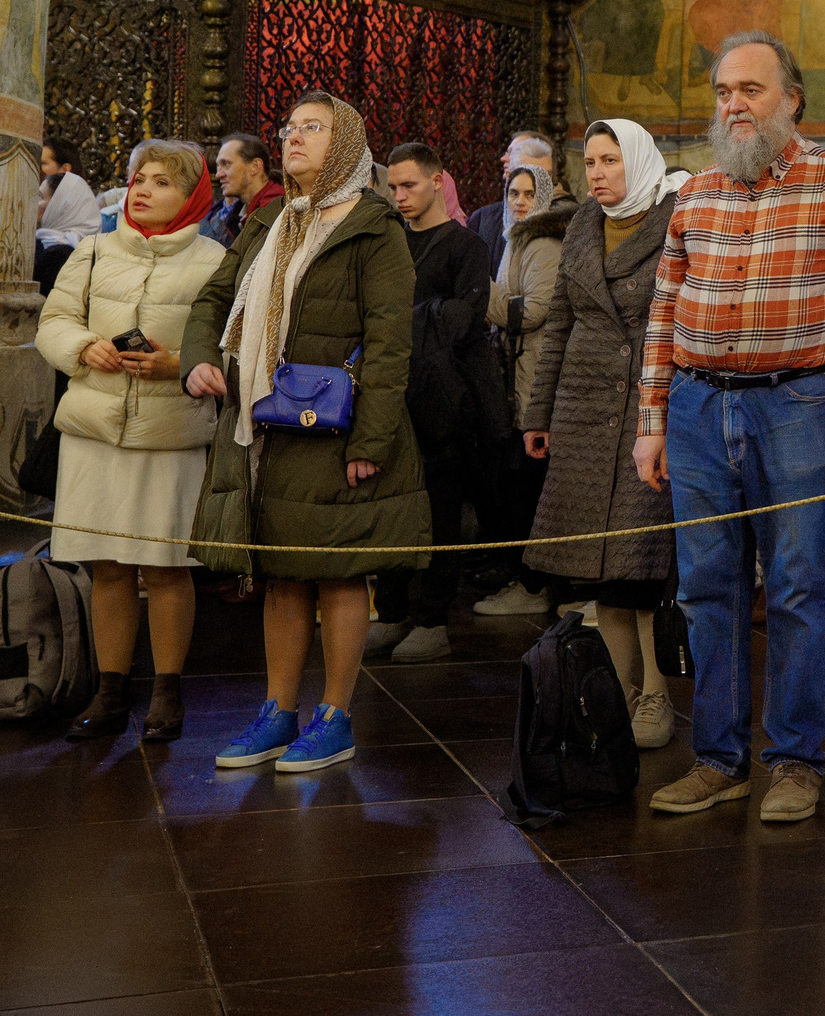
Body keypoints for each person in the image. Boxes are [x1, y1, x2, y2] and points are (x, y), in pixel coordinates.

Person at [634, 35, 825, 824]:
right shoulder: (697, 193)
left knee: (797, 587)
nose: (734, 103)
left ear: (792, 96)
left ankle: (793, 761)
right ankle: (719, 760)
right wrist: (650, 424)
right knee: (706, 586)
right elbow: (663, 314)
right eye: (722, 91)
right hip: (697, 408)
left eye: (750, 87)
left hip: (795, 405)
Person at [184, 92, 427, 775]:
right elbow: (213, 298)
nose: (293, 137)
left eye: (312, 128)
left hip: (338, 426)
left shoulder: (375, 228)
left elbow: (388, 344)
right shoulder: (269, 221)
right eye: (290, 127)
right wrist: (200, 356)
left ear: (346, 142)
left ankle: (335, 715)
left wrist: (370, 443)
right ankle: (278, 709)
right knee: (284, 576)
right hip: (269, 424)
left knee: (340, 575)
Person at [34, 139, 222, 744]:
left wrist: (179, 365)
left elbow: (230, 344)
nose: (143, 190)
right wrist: (82, 347)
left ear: (190, 194)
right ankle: (111, 691)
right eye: (139, 178)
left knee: (165, 569)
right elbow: (54, 320)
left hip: (168, 434)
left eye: (163, 182)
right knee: (107, 568)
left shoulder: (216, 260)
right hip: (94, 431)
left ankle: (167, 693)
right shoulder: (91, 251)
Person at [522, 120, 684, 751]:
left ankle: (655, 697)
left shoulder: (675, 218)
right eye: (589, 161)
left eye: (610, 160)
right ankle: (619, 692)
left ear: (637, 161)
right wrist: (538, 415)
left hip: (649, 410)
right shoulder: (584, 224)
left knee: (639, 568)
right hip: (586, 412)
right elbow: (558, 322)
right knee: (598, 570)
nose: (596, 172)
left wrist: (669, 413)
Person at [368, 144, 505, 665]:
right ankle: (395, 612)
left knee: (440, 510)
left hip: (445, 397)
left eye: (410, 186)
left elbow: (461, 318)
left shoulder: (464, 245)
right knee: (392, 507)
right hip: (391, 392)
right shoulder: (388, 239)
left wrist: (401, 320)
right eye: (394, 187)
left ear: (437, 182)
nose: (400, 196)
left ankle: (433, 617)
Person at [474, 161, 572, 618]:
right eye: (513, 192)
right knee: (511, 487)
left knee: (527, 487)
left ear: (545, 198)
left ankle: (533, 586)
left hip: (533, 378)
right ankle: (523, 578)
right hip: (514, 376)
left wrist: (479, 292)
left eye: (529, 194)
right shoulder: (518, 239)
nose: (519, 201)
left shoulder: (544, 243)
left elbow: (533, 312)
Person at [469, 130, 555, 275]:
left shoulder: (562, 225)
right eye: (528, 173)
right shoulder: (482, 220)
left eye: (545, 176)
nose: (539, 183)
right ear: (510, 174)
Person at [37, 138, 102, 292]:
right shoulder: (91, 249)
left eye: (40, 197)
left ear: (59, 206)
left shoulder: (56, 254)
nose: (37, 169)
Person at [200, 133, 282, 248]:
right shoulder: (236, 214)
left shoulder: (276, 210)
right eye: (218, 166)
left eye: (226, 164)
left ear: (255, 166)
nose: (219, 174)